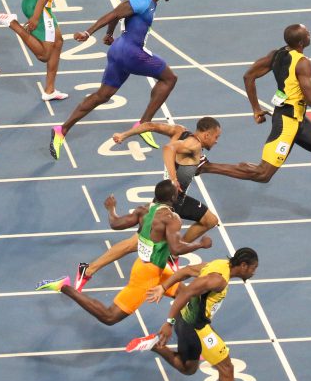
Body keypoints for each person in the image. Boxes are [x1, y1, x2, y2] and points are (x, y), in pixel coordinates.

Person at [200, 24, 311, 221]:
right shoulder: (302, 63)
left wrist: (256, 109)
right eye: (307, 33)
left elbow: (248, 75)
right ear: (301, 42)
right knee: (263, 174)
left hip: (296, 119)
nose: (310, 33)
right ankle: (206, 167)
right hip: (288, 123)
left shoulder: (277, 54)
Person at [69, 118, 223, 291]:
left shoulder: (179, 130)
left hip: (177, 199)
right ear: (206, 134)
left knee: (210, 220)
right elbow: (168, 148)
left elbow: (150, 126)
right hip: (167, 204)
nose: (217, 141)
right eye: (216, 137)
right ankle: (88, 270)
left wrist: (124, 134)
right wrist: (173, 178)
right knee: (133, 244)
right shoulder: (192, 145)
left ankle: (172, 254)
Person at [34, 181, 213, 328]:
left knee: (189, 295)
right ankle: (64, 287)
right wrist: (199, 245)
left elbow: (116, 224)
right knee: (109, 317)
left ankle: (196, 339)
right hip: (147, 276)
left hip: (152, 269)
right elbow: (175, 249)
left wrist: (111, 209)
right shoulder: (172, 219)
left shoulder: (143, 211)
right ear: (174, 197)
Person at [126, 248, 265, 381]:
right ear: (243, 265)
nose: (254, 272)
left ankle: (156, 345)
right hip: (195, 327)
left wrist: (163, 287)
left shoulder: (219, 264)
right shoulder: (218, 279)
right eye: (253, 268)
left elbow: (185, 271)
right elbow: (185, 293)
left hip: (187, 321)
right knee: (227, 368)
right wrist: (168, 322)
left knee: (188, 368)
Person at [49, 0, 179, 160]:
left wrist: (110, 34)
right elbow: (114, 13)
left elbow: (119, 12)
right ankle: (144, 124)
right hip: (131, 53)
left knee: (102, 96)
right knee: (169, 78)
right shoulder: (144, 0)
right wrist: (88, 32)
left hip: (118, 51)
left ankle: (62, 129)